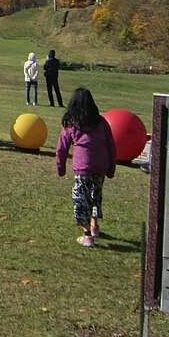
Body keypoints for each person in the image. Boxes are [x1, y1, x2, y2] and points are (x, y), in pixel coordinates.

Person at [55, 87, 116, 247]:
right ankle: (94, 225)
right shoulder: (101, 122)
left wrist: (60, 168)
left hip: (83, 167)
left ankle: (87, 234)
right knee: (95, 196)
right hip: (101, 165)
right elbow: (111, 145)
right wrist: (111, 168)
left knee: (81, 199)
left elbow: (62, 148)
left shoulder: (71, 123)